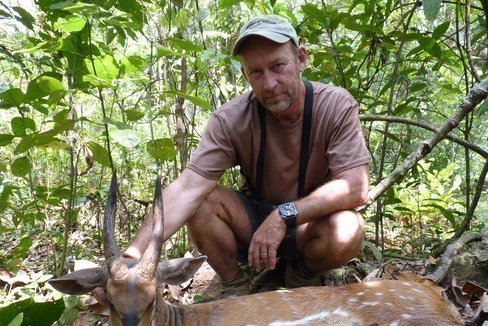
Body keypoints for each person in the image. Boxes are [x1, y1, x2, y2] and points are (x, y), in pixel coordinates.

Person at [124, 14, 370, 296]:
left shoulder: (335, 105)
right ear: (245, 75)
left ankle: (300, 278)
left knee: (349, 227)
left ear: (301, 59)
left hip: (309, 225)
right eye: (256, 72)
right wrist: (134, 254)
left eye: (278, 66)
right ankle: (236, 285)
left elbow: (355, 187)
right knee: (201, 201)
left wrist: (283, 216)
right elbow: (187, 189)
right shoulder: (231, 119)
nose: (269, 84)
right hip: (253, 222)